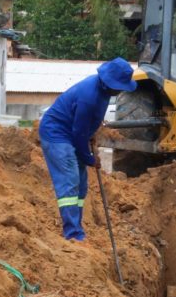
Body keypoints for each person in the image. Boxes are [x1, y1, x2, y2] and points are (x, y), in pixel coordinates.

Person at [39, 57, 137, 241]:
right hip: (57, 134)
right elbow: (78, 132)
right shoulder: (89, 96)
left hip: (74, 135)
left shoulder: (104, 92)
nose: (121, 90)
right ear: (111, 83)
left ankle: (76, 225)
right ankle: (73, 234)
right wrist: (90, 159)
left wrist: (92, 132)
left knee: (81, 184)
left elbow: (87, 124)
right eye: (120, 86)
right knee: (70, 181)